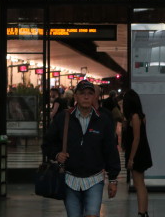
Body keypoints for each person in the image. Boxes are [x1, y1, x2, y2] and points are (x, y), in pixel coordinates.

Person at [42, 80, 120, 217]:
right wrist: (56, 154)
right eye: (82, 93)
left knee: (92, 214)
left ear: (95, 97)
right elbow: (47, 143)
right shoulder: (63, 118)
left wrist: (113, 179)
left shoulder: (103, 120)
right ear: (75, 97)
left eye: (90, 93)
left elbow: (110, 150)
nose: (86, 97)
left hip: (94, 179)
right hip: (70, 179)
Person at [122, 89, 153, 217]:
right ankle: (144, 212)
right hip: (142, 152)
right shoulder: (140, 116)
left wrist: (131, 159)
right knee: (141, 184)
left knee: (138, 184)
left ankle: (141, 213)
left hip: (138, 154)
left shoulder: (134, 117)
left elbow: (136, 138)